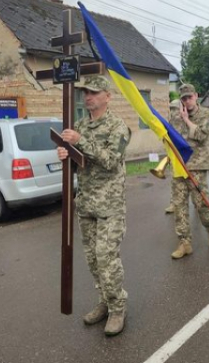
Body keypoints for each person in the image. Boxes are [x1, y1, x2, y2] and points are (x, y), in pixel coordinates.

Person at [57, 75, 131, 336]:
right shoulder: (80, 125)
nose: (88, 96)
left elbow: (111, 161)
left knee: (107, 258)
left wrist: (80, 142)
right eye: (86, 91)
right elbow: (80, 163)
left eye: (95, 92)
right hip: (86, 203)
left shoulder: (118, 127)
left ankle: (118, 307)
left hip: (110, 205)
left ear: (107, 96)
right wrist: (66, 156)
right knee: (92, 260)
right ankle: (105, 301)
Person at [169, 83, 209, 259]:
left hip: (197, 166)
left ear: (196, 96)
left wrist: (187, 120)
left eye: (189, 97)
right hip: (179, 167)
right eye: (184, 98)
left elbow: (201, 136)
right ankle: (184, 242)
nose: (187, 101)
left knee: (201, 204)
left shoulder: (206, 114)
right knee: (179, 205)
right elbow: (170, 139)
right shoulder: (174, 117)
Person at [164, 99, 180, 214]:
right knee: (174, 181)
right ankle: (173, 203)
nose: (173, 112)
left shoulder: (185, 120)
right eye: (171, 109)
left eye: (175, 109)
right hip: (174, 155)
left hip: (187, 156)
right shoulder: (169, 123)